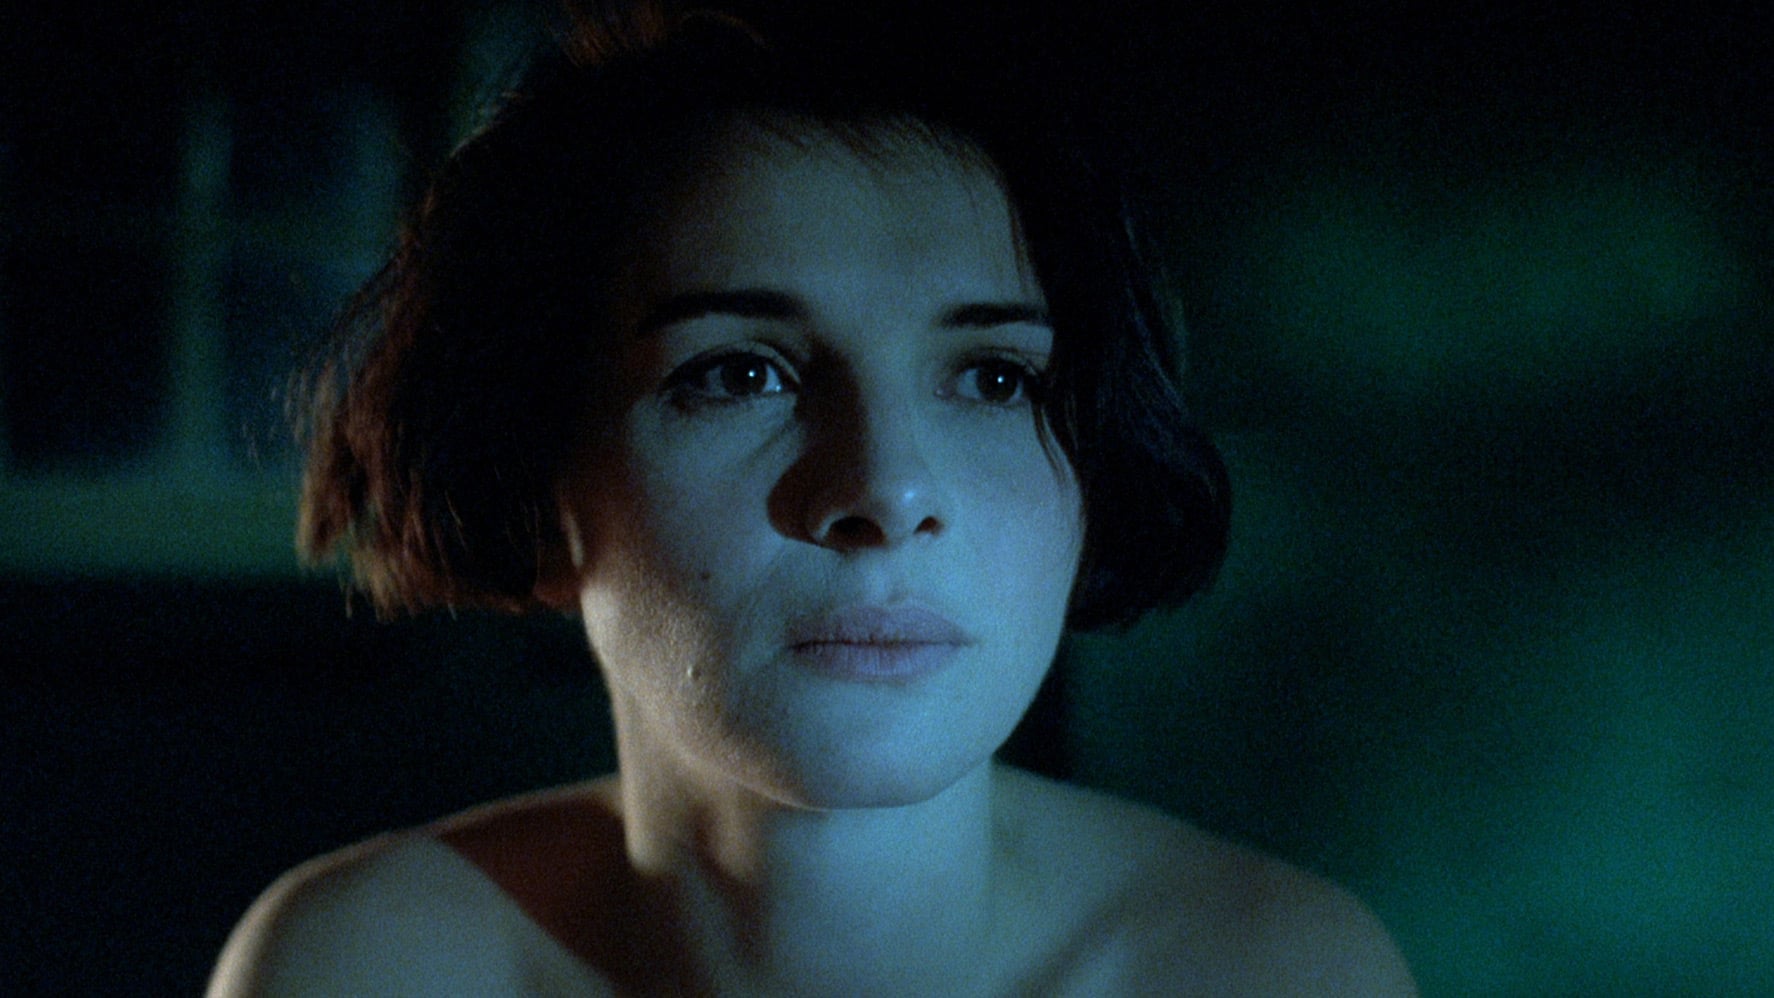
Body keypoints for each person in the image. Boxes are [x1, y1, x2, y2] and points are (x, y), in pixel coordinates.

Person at [209, 4, 1415, 993]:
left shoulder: (1272, 971)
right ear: (540, 488)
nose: (884, 489)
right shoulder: (364, 967)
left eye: (995, 377)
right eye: (738, 374)